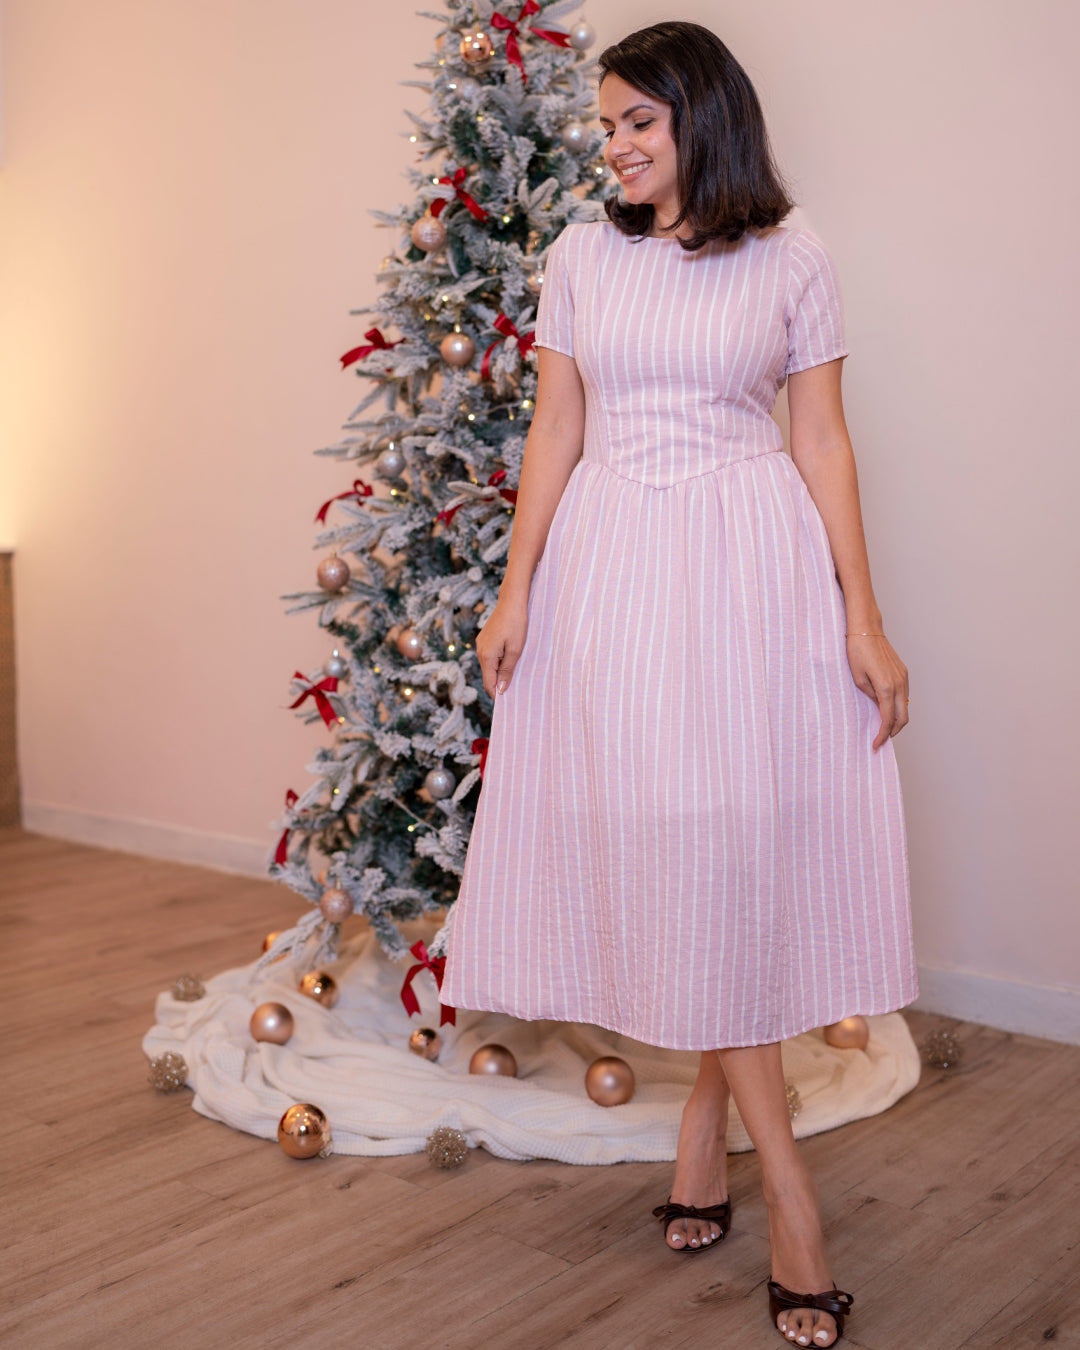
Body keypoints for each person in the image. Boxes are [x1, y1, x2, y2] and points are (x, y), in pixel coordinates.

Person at [440, 20, 917, 1347]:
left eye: (637, 120)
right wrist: (516, 586)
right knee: (674, 849)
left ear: (704, 116)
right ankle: (765, 1169)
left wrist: (863, 617)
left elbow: (822, 440)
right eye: (607, 125)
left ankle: (730, 1141)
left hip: (747, 570)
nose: (615, 145)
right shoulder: (582, 256)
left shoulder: (793, 256)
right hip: (614, 571)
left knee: (725, 852)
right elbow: (556, 425)